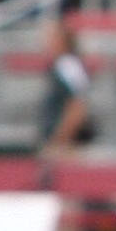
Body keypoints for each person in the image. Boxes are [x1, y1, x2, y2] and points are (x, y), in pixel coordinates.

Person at [39, 13, 97, 153]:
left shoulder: (69, 65)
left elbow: (78, 105)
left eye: (51, 39)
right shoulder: (59, 66)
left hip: (67, 145)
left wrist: (61, 140)